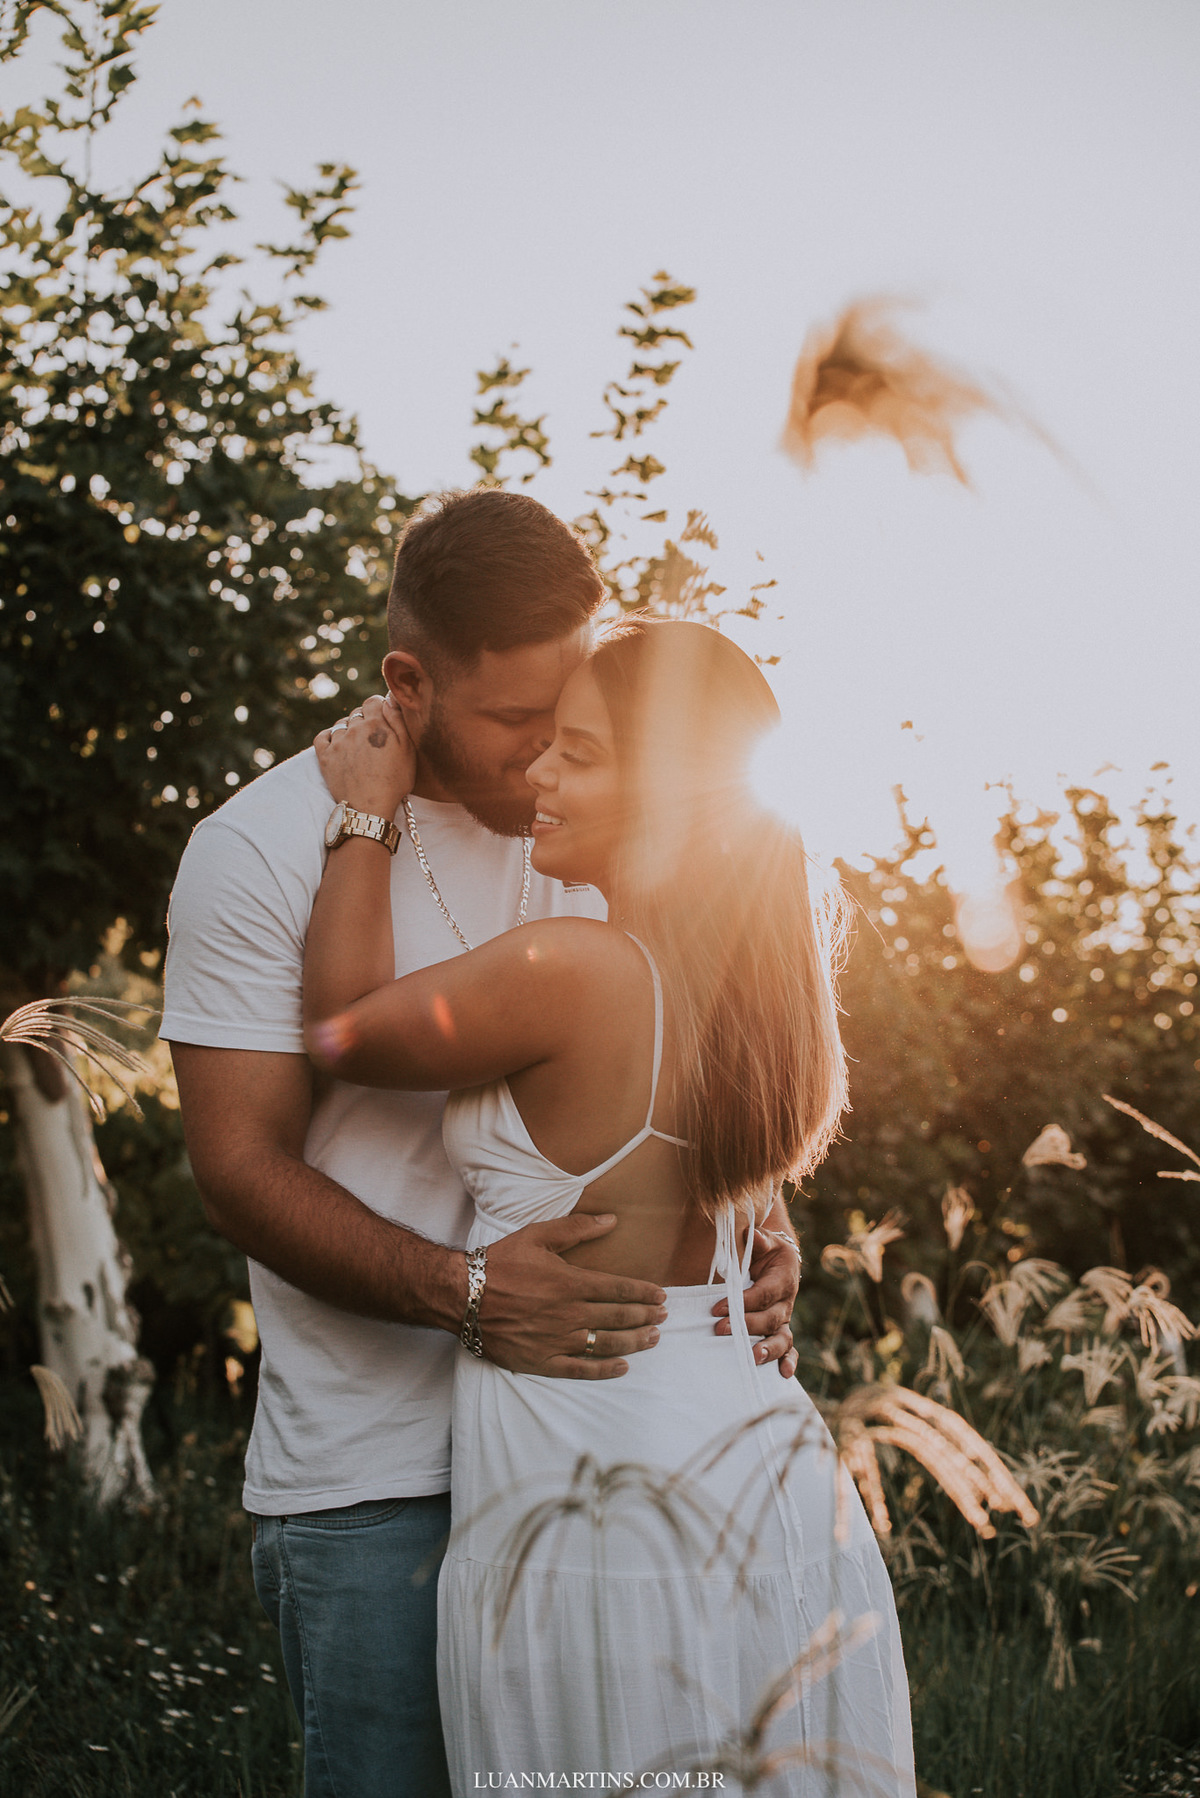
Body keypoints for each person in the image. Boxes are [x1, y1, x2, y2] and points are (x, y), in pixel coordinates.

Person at [161, 490, 802, 1798]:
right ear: (409, 683)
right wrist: (462, 1290)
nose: (549, 755)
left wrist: (749, 1216)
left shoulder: (594, 813)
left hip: (616, 1443)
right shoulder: (259, 849)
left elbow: (700, 1034)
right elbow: (239, 1167)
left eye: (577, 717)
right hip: (381, 1473)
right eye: (522, 723)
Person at [303, 618, 916, 1796]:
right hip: (766, 1467)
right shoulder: (758, 1002)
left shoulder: (573, 971)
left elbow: (339, 1029)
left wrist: (364, 815)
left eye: (577, 754)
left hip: (603, 1483)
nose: (539, 772)